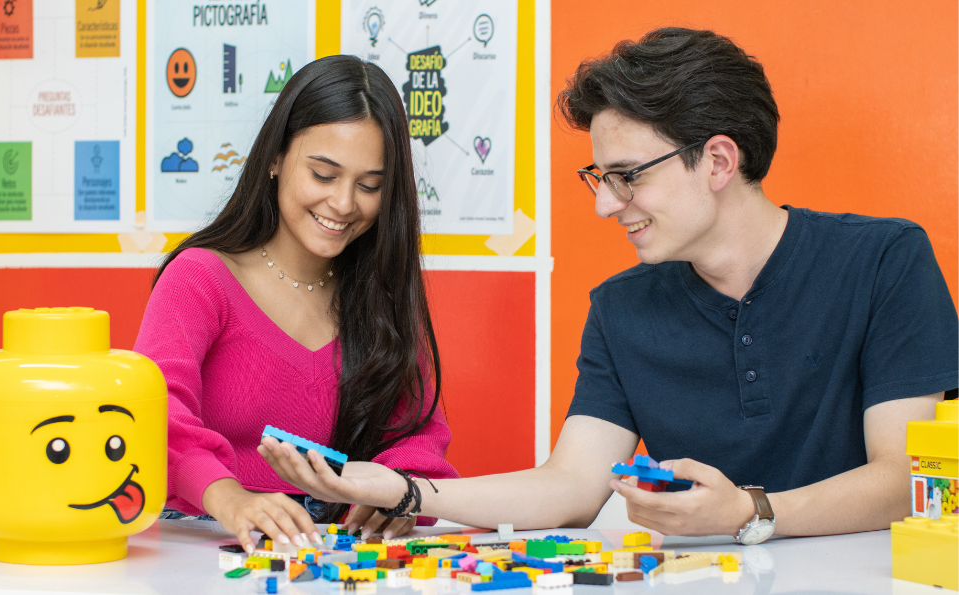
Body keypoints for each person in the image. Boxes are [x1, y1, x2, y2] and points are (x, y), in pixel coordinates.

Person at [259, 28, 958, 542]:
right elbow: (569, 486)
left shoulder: (885, 261)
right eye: (599, 178)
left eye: (626, 176)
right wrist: (406, 490)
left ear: (718, 161)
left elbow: (909, 478)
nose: (604, 204)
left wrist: (750, 511)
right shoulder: (622, 309)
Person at [134, 55, 457, 555]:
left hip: (327, 550)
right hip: (201, 538)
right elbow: (154, 413)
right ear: (275, 158)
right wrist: (228, 497)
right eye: (323, 175)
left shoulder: (382, 295)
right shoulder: (199, 278)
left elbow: (418, 436)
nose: (344, 203)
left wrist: (398, 491)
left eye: (369, 185)